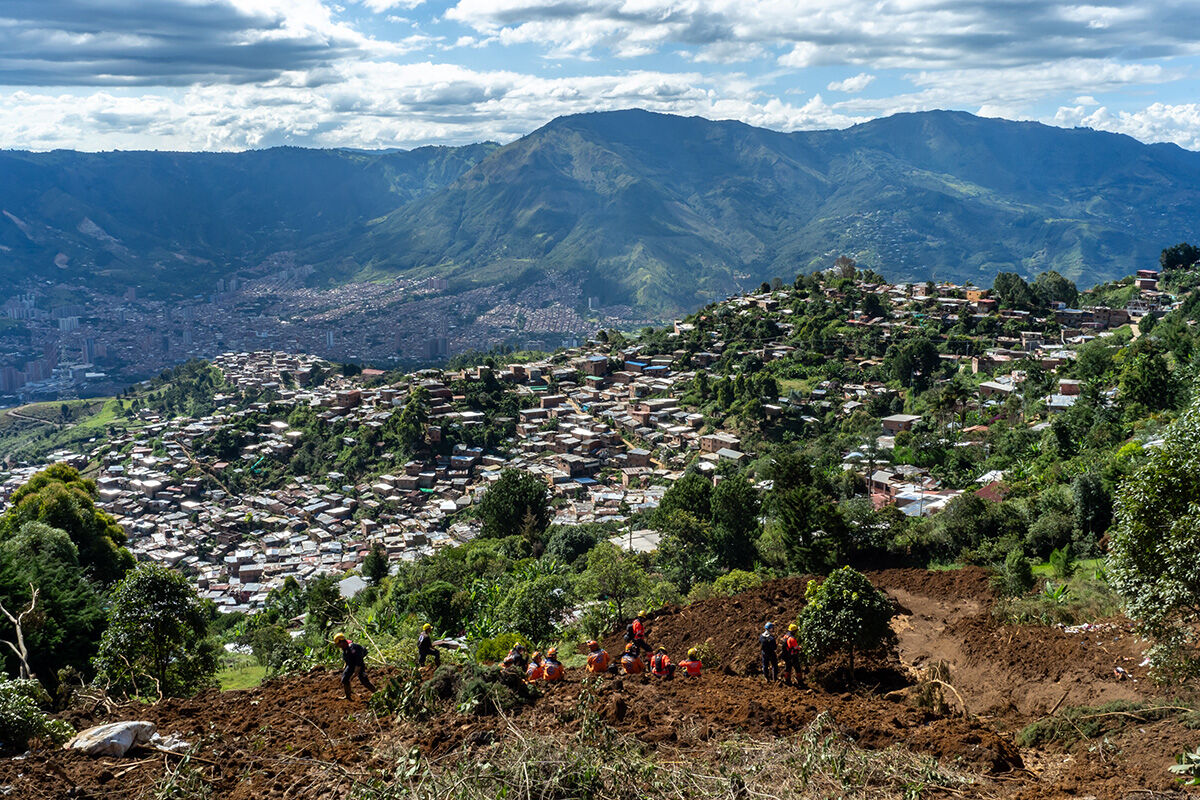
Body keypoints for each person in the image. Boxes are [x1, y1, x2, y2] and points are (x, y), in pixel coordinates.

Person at [333, 633, 375, 700]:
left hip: (359, 665)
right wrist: (345, 666)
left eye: (338, 644)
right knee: (345, 679)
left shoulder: (353, 647)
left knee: (364, 681)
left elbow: (359, 660)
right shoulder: (345, 648)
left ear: (341, 641)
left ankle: (377, 693)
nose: (338, 646)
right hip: (350, 665)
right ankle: (348, 696)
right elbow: (347, 658)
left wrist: (356, 672)